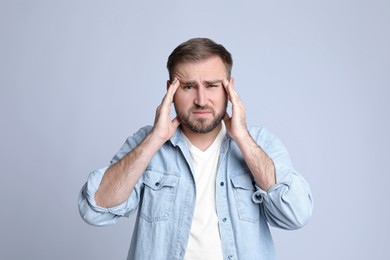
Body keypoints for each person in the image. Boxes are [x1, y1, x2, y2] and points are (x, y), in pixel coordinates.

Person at [78, 37, 313, 260]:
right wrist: (155, 139)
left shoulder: (259, 142)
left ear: (229, 89)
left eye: (211, 85)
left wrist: (241, 136)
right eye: (188, 87)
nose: (201, 99)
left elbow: (296, 215)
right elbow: (94, 210)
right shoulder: (145, 143)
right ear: (170, 90)